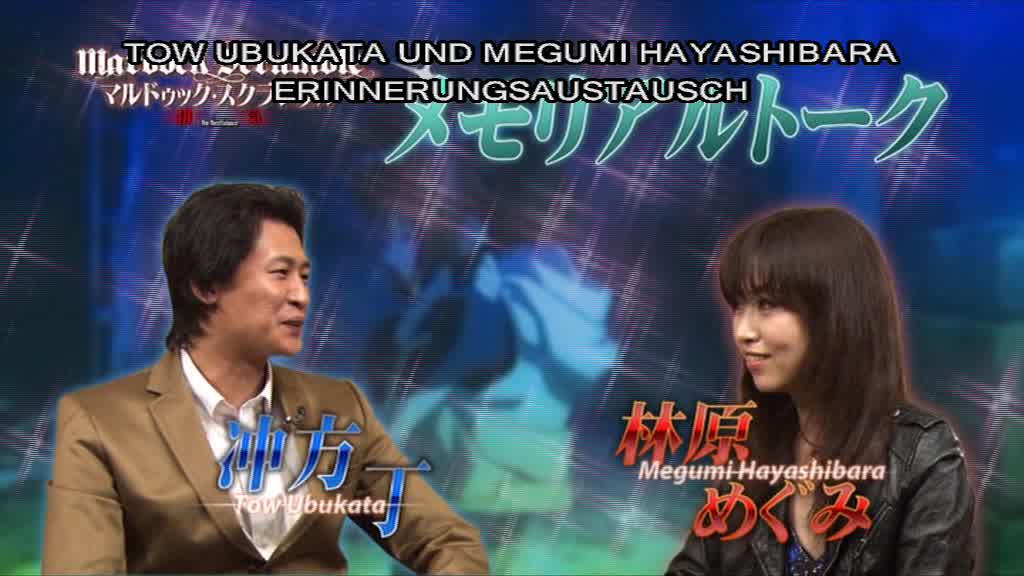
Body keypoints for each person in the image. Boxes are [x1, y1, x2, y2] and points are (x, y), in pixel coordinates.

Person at [43, 183, 489, 574]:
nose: (301, 295)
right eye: (280, 274)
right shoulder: (99, 421)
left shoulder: (338, 408)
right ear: (205, 285)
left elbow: (446, 540)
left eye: (304, 276)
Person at [666, 206, 975, 575]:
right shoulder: (753, 452)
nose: (743, 331)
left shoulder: (923, 457)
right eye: (739, 306)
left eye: (767, 305)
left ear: (835, 313)